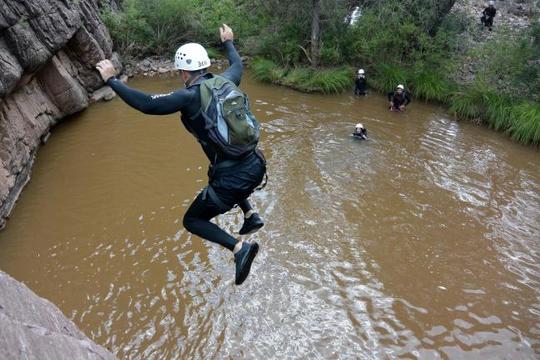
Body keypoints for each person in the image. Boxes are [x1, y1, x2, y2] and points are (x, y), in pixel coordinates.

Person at [95, 25, 266, 286]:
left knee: (193, 220)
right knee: (215, 168)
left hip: (234, 178)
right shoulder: (227, 80)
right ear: (205, 66)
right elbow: (237, 64)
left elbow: (147, 104)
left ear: (184, 72)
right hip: (256, 164)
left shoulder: (189, 96)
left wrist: (112, 80)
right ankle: (250, 213)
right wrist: (228, 41)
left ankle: (239, 249)